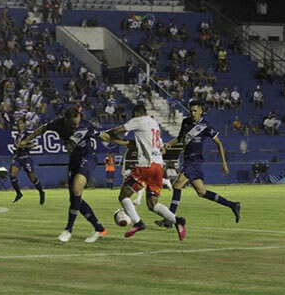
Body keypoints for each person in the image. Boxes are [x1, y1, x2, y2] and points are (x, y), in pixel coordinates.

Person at [17, 107, 109, 243]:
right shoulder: (58, 124)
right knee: (75, 198)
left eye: (77, 123)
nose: (76, 126)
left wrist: (122, 142)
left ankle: (68, 229)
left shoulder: (85, 126)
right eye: (73, 124)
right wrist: (27, 139)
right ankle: (99, 228)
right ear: (66, 121)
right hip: (73, 160)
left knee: (77, 189)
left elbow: (103, 136)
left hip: (88, 157)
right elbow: (43, 128)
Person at [104, 104, 187, 241]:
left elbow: (119, 130)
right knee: (152, 204)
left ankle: (138, 223)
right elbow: (160, 148)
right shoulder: (154, 124)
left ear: (136, 113)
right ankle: (177, 220)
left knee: (124, 195)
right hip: (158, 167)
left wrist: (107, 134)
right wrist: (113, 139)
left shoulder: (138, 120)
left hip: (146, 165)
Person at [156, 101, 241, 229]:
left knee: (177, 185)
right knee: (201, 192)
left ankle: (170, 219)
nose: (193, 113)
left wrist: (224, 163)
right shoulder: (186, 122)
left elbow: (219, 144)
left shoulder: (206, 126)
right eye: (191, 111)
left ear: (201, 111)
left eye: (195, 111)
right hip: (188, 160)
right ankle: (232, 205)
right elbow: (180, 137)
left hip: (194, 161)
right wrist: (170, 143)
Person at [11, 118, 45, 204]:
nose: (21, 125)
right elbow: (17, 146)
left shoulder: (28, 134)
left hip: (26, 158)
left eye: (22, 123)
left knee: (32, 177)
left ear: (24, 124)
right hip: (18, 157)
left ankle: (41, 191)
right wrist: (15, 149)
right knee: (12, 175)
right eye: (19, 124)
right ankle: (18, 193)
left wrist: (24, 146)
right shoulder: (18, 136)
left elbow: (33, 145)